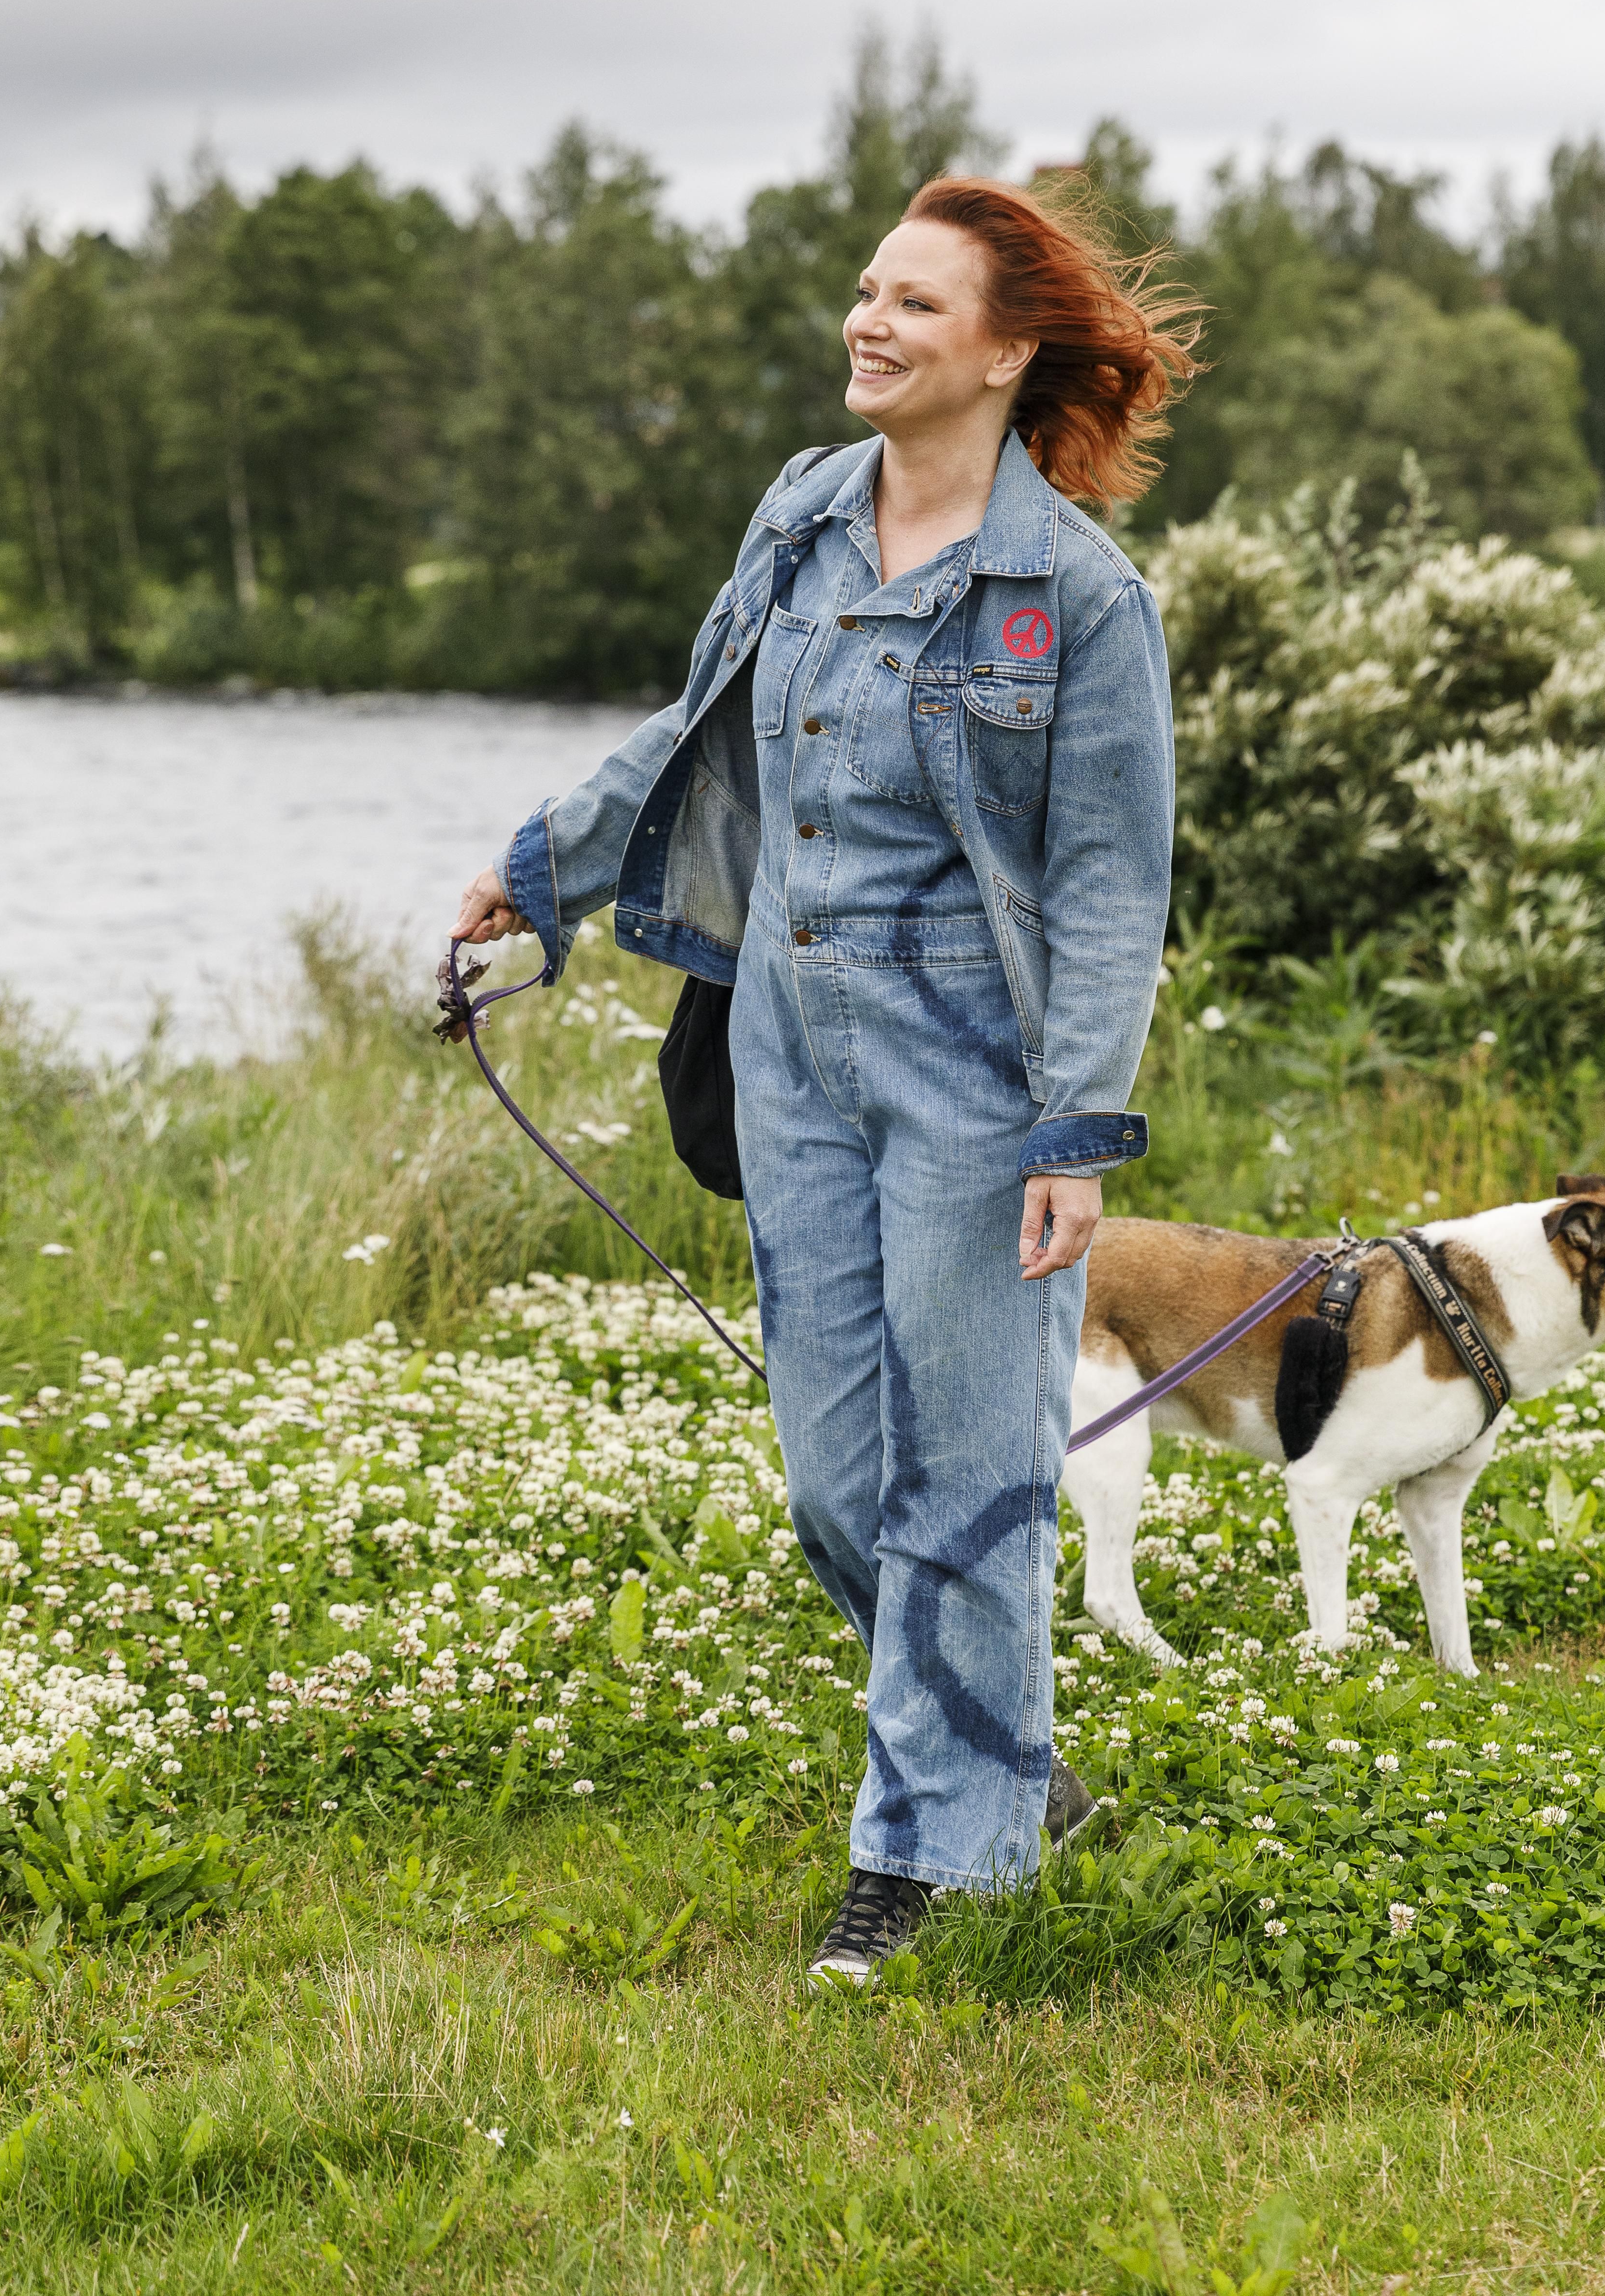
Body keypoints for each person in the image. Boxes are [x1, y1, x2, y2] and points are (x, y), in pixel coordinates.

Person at [453, 176, 1193, 1983]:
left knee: (975, 1473)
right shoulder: (801, 509)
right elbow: (699, 717)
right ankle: (1000, 1754)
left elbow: (1111, 881)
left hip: (973, 1071)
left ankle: (931, 1856)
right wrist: (546, 864)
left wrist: (1078, 1130)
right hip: (786, 1044)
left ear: (1009, 353)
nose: (868, 323)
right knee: (837, 1484)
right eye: (866, 292)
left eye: (914, 305)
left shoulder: (1074, 601)